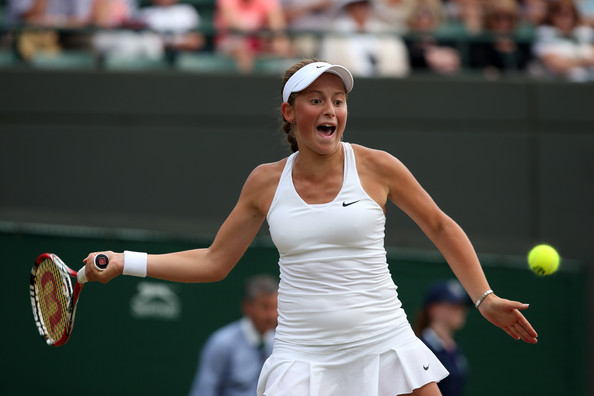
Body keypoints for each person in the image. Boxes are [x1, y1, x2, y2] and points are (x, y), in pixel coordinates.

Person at [83, 57, 538, 396]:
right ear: (289, 111)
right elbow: (214, 261)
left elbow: (440, 227)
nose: (331, 110)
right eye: (316, 100)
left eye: (338, 101)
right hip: (302, 359)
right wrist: (127, 262)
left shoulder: (379, 167)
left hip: (385, 343)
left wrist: (484, 298)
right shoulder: (264, 182)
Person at [189, 274, 279, 396]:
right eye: (265, 307)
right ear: (247, 307)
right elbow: (204, 390)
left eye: (275, 307)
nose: (271, 315)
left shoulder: (278, 343)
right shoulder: (222, 343)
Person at [318, 0, 410, 77]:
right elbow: (331, 64)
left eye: (364, 4)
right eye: (356, 5)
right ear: (348, 7)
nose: (360, 9)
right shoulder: (334, 31)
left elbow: (399, 65)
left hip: (385, 85)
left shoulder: (385, 30)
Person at [414, 280, 471, 396]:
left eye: (462, 306)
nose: (460, 311)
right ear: (433, 309)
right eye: (453, 306)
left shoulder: (454, 347)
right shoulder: (420, 348)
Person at [531, 0, 594, 82]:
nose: (566, 19)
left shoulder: (584, 33)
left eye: (570, 15)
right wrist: (584, 61)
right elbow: (556, 65)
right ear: (552, 16)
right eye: (562, 15)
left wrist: (569, 62)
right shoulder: (543, 34)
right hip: (558, 88)